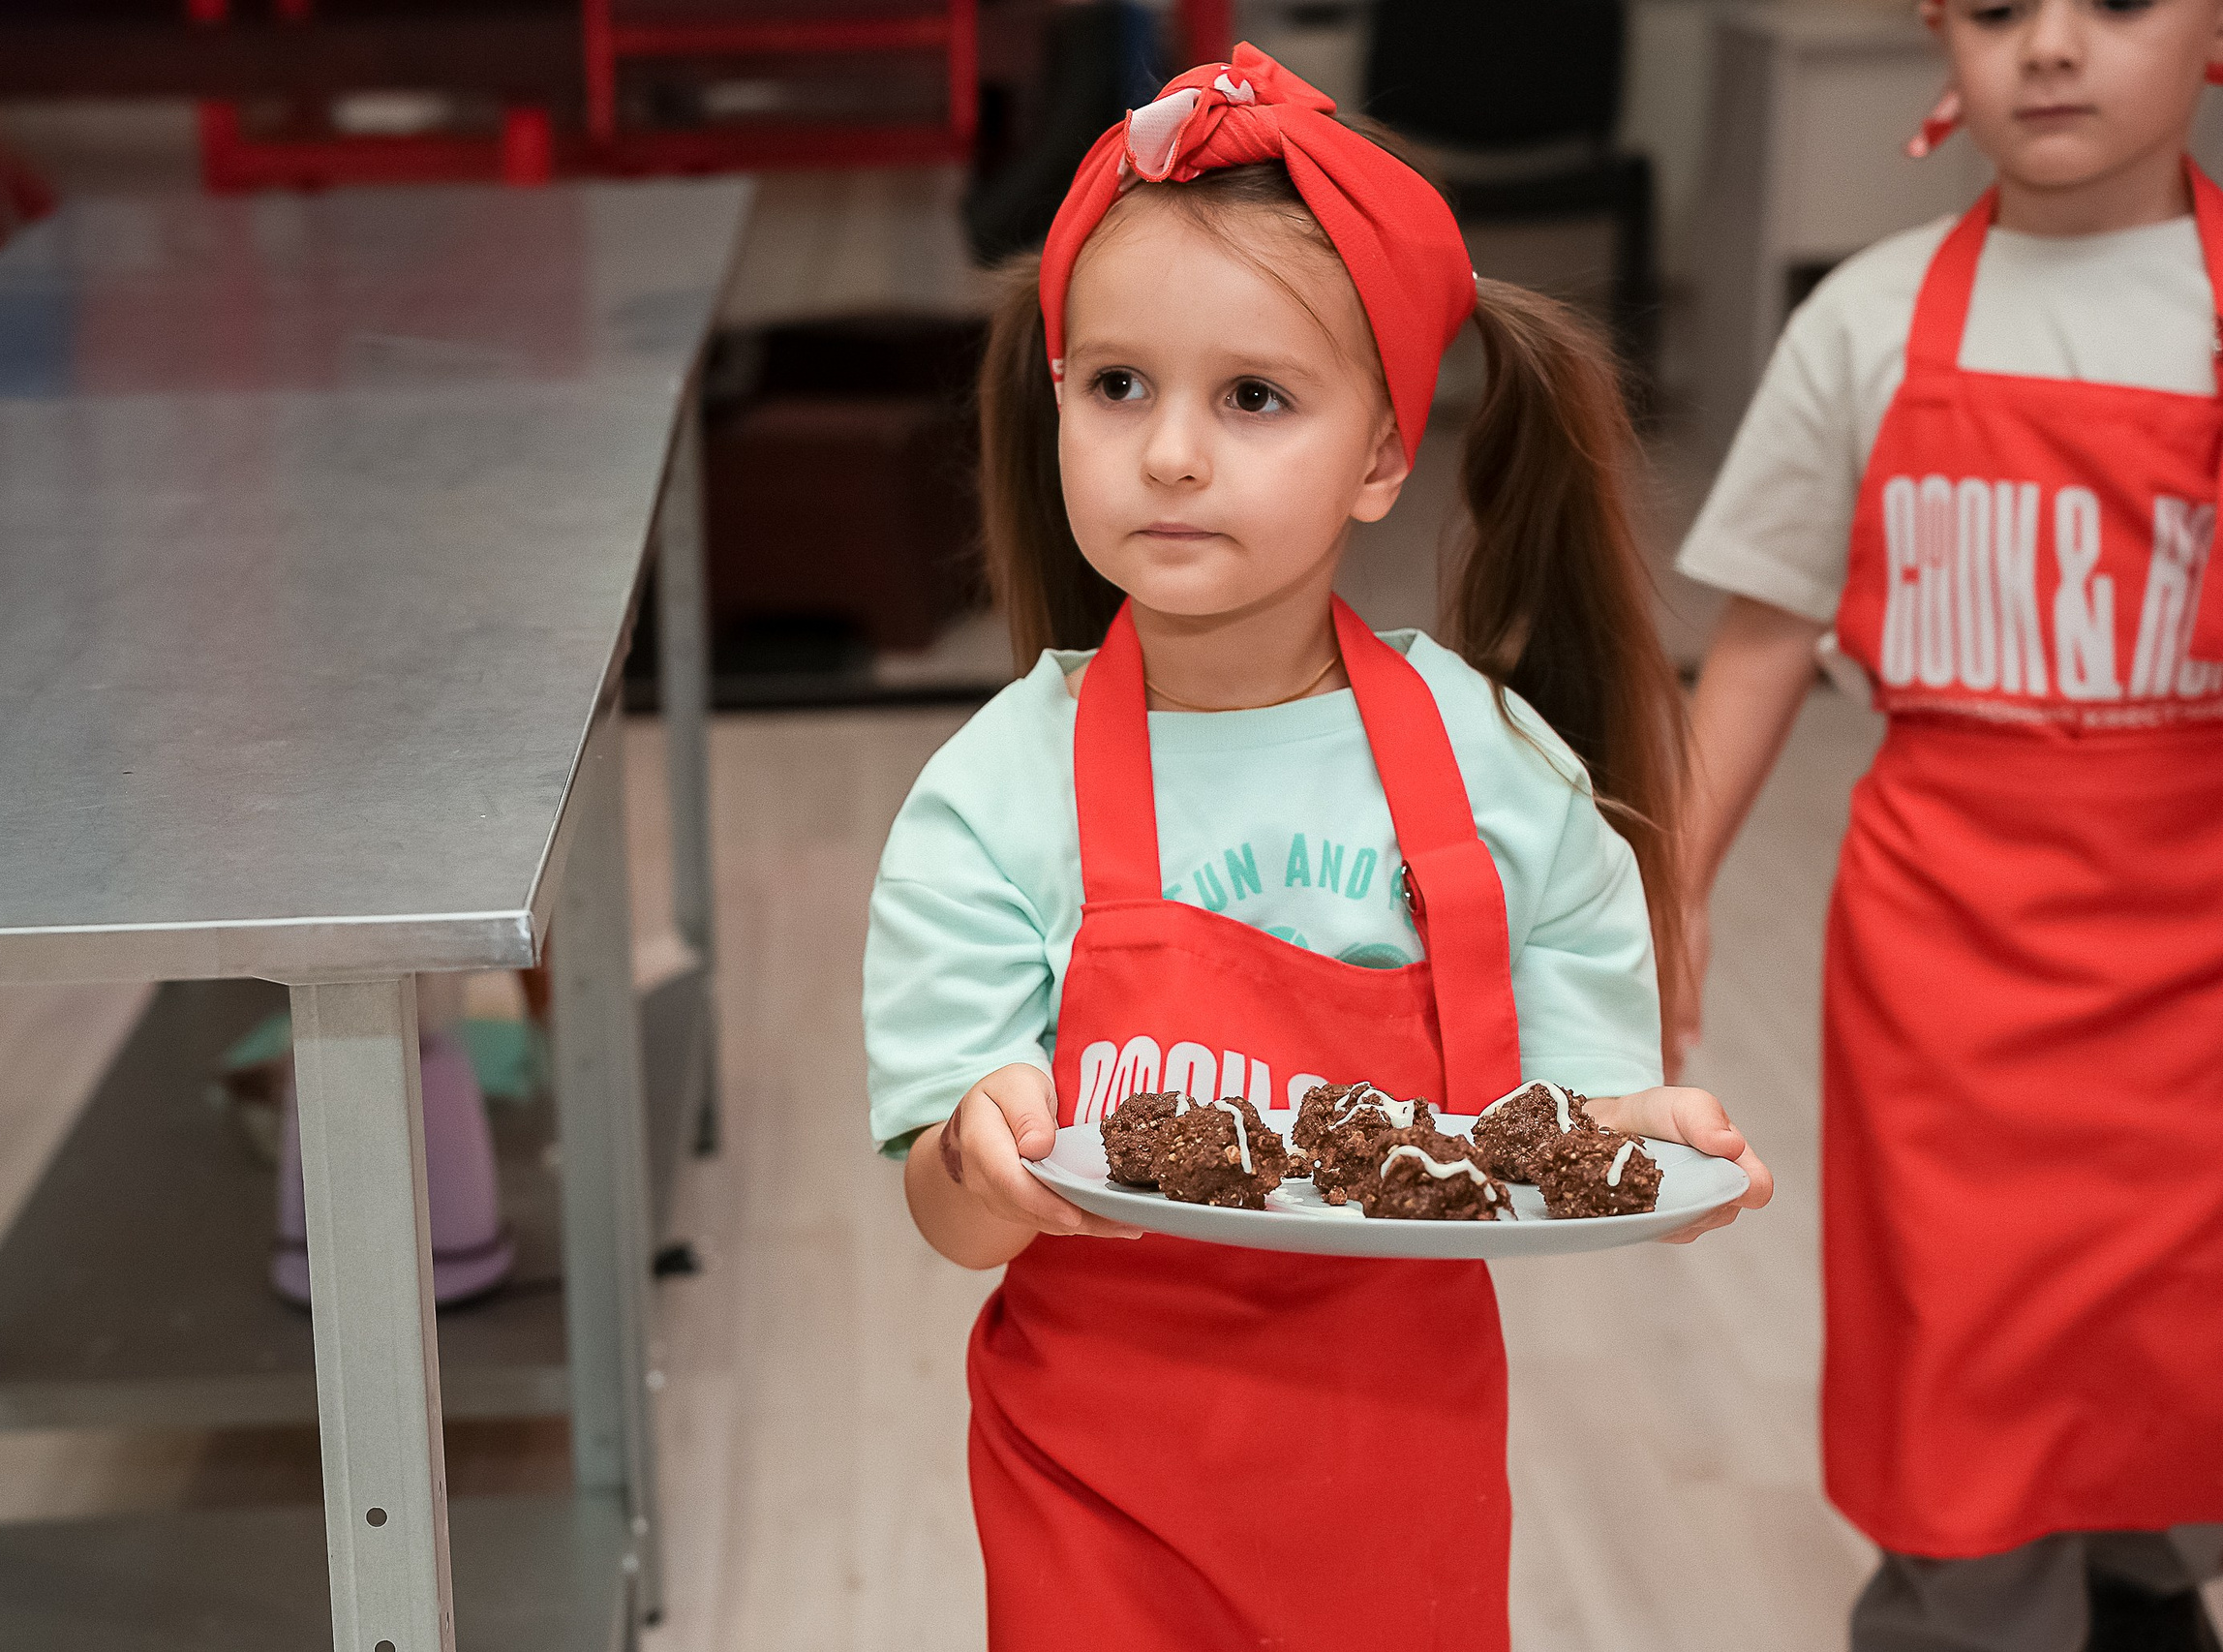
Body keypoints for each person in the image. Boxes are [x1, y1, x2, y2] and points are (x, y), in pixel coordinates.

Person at [863, 45, 1772, 1649]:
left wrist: (1647, 1139)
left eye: (1255, 397)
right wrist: (979, 1148)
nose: (1171, 454)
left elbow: (1549, 1128)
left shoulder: (1497, 775)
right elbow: (949, 1220)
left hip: (1394, 1470)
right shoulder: (995, 791)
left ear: (1379, 456)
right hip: (1096, 1478)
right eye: (1117, 384)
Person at [1675, 2, 2223, 1646]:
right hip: (1947, 977)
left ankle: (2136, 1591)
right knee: (1966, 1356)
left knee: (2169, 1340)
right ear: (1941, 35)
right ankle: (1963, 1611)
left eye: (2112, 1)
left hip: (2197, 961)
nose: (2048, 47)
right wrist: (1675, 883)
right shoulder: (1867, 318)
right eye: (1996, 10)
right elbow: (1766, 629)